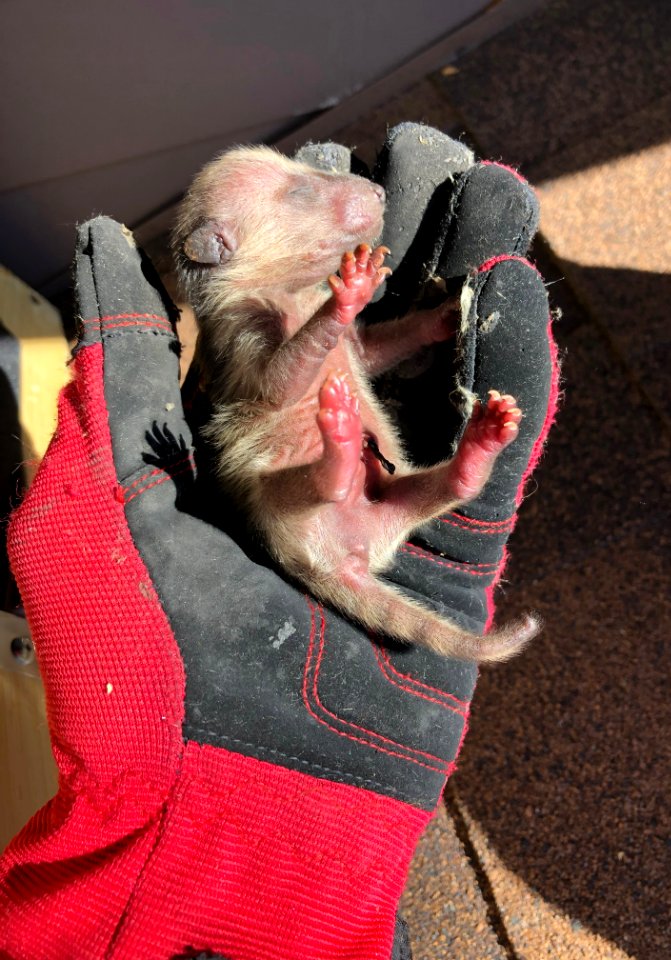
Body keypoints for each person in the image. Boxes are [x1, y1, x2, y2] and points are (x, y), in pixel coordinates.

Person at [0, 124, 558, 960]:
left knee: (410, 489)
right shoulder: (254, 324)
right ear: (219, 248)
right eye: (296, 193)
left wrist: (415, 330)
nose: (333, 196)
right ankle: (414, 468)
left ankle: (449, 470)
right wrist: (339, 314)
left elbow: (352, 353)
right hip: (319, 493)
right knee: (333, 487)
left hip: (344, 496)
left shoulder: (286, 297)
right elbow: (288, 373)